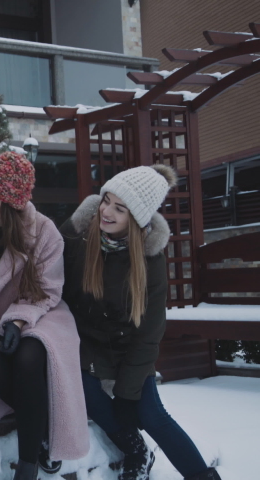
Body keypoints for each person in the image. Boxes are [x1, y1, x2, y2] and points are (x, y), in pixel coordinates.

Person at [61, 165, 221, 480]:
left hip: (128, 347)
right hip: (85, 342)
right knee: (87, 393)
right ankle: (136, 449)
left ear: (136, 217)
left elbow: (148, 332)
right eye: (106, 200)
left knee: (150, 414)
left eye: (119, 208)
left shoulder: (150, 259)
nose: (105, 211)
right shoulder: (78, 233)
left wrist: (127, 393)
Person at [0, 151, 90, 480]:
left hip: (37, 309)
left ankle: (27, 465)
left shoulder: (42, 232)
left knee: (29, 355)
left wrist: (18, 320)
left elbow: (49, 290)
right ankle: (42, 429)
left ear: (11, 203)